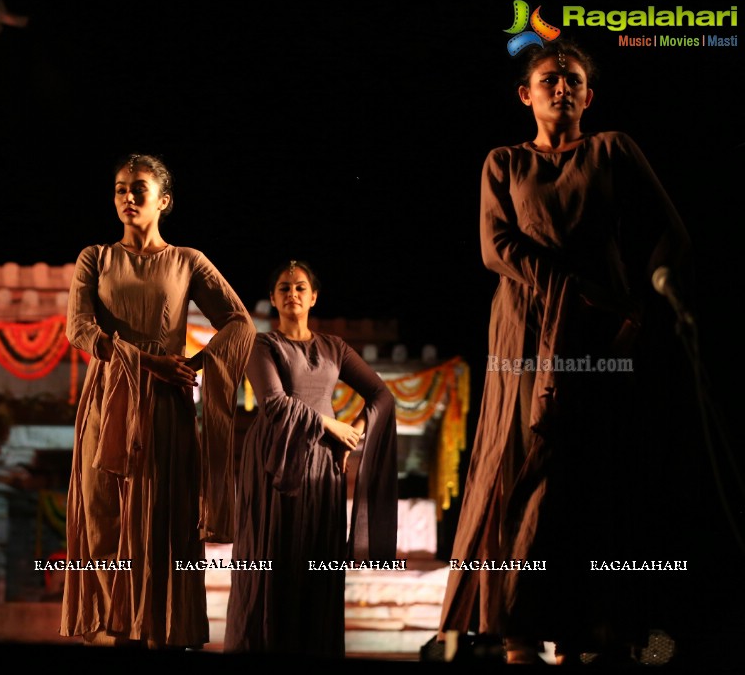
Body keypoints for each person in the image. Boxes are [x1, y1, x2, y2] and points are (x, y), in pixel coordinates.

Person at [437, 40, 692, 665]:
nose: (562, 88)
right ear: (525, 94)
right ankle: (517, 624)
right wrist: (581, 289)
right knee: (522, 460)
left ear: (589, 94)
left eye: (574, 80)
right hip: (525, 332)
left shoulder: (613, 150)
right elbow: (495, 247)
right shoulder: (504, 162)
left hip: (602, 335)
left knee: (593, 470)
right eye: (550, 79)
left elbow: (670, 234)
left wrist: (651, 303)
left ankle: (593, 629)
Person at [60, 152, 255, 649]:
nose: (127, 196)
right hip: (107, 402)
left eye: (139, 188)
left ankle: (161, 630)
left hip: (166, 406)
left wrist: (199, 363)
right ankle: (112, 628)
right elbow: (80, 330)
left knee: (162, 517)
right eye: (121, 188)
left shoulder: (188, 261)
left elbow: (239, 322)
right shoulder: (95, 258)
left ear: (163, 201)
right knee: (104, 515)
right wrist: (151, 363)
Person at [223, 259, 398, 658]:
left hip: (323, 468)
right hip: (275, 461)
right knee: (272, 560)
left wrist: (352, 431)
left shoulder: (335, 346)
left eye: (300, 287)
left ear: (314, 296)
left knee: (316, 562)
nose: (292, 294)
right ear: (272, 298)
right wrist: (332, 426)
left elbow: (382, 396)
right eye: (283, 287)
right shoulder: (261, 344)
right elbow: (275, 403)